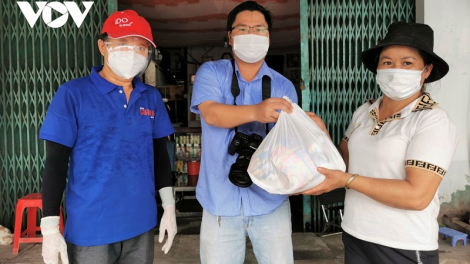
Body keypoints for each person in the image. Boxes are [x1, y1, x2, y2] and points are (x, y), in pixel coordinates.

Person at [303, 22, 458, 264]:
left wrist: (347, 181)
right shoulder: (364, 113)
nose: (395, 69)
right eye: (387, 62)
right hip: (355, 234)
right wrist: (321, 135)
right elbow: (341, 164)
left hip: (402, 244)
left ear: (426, 71)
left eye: (407, 63)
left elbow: (417, 196)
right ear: (377, 68)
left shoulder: (432, 120)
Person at [39, 10, 177, 264]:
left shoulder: (151, 97)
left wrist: (168, 206)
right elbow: (56, 162)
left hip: (141, 222)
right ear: (103, 46)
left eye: (141, 47)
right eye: (123, 44)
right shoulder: (72, 94)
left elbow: (159, 153)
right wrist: (49, 226)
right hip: (91, 228)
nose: (133, 53)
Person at [190, 1, 298, 263]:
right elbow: (212, 113)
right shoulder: (211, 73)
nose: (252, 34)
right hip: (219, 202)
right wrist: (256, 112)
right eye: (243, 28)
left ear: (269, 37)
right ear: (230, 36)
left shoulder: (283, 86)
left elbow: (289, 144)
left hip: (271, 201)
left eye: (259, 29)